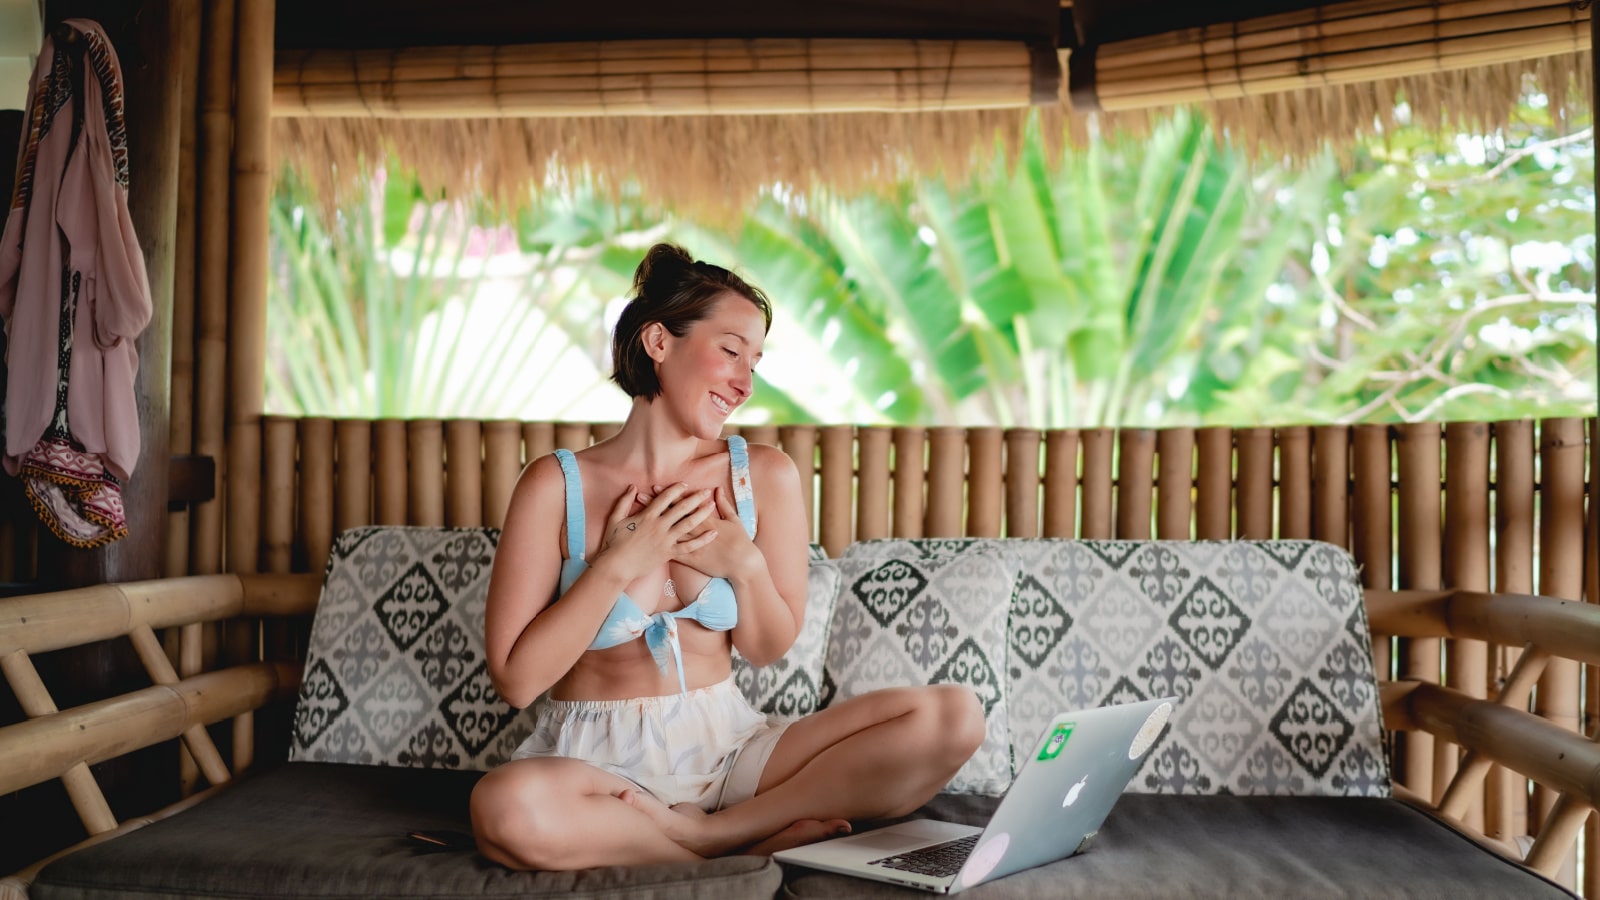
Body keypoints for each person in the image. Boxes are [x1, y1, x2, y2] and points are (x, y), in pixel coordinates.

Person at [470, 243, 986, 870]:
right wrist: (618, 564)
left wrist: (743, 563)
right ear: (659, 342)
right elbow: (517, 682)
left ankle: (719, 835)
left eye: (756, 361)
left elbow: (768, 647)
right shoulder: (555, 485)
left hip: (732, 754)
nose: (744, 382)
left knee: (953, 716)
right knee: (504, 808)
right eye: (731, 350)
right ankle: (709, 848)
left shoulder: (763, 476)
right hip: (597, 767)